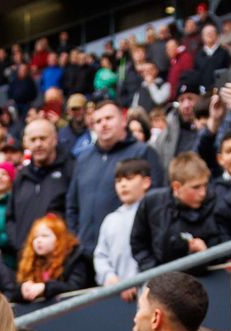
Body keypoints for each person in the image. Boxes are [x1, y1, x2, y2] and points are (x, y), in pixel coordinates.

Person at [66, 99, 164, 255]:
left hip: (127, 251)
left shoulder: (143, 152)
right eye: (98, 121)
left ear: (123, 120)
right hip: (84, 252)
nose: (103, 124)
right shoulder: (83, 159)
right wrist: (76, 238)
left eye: (109, 118)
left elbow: (156, 201)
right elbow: (72, 204)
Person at [131, 152, 219, 270]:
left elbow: (221, 245)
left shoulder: (214, 203)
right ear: (176, 187)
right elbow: (138, 242)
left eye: (205, 185)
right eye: (196, 187)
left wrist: (205, 254)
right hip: (159, 275)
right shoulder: (152, 202)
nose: (203, 193)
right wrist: (154, 271)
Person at [6, 118, 73, 254]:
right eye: (33, 140)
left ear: (54, 139)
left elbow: (76, 213)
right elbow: (10, 217)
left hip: (61, 256)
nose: (38, 144)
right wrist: (18, 243)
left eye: (43, 138)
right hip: (27, 257)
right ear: (25, 143)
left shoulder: (70, 171)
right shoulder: (21, 177)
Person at [93, 158, 153, 289]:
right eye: (118, 181)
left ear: (146, 182)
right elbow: (101, 255)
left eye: (129, 179)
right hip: (118, 293)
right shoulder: (110, 220)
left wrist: (134, 281)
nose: (123, 185)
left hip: (150, 288)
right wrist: (109, 277)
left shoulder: (154, 213)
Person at [17, 214, 94, 304]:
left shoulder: (75, 258)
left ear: (58, 239)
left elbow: (75, 288)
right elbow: (12, 294)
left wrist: (45, 288)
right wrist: (22, 291)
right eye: (35, 237)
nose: (38, 240)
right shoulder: (30, 262)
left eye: (44, 236)